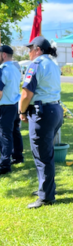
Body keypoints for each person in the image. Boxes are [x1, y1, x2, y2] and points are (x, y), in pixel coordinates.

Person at [19, 36, 63, 209]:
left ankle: (46, 196)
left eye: (30, 49)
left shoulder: (36, 64)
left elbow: (26, 94)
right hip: (54, 110)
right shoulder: (53, 64)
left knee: (42, 155)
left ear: (38, 49)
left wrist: (22, 111)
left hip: (42, 113)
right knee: (46, 153)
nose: (28, 52)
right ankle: (45, 188)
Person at [0, 45, 24, 175]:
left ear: (3, 55)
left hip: (5, 106)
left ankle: (4, 164)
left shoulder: (2, 70)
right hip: (15, 104)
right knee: (15, 132)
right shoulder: (15, 68)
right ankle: (18, 156)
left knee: (4, 135)